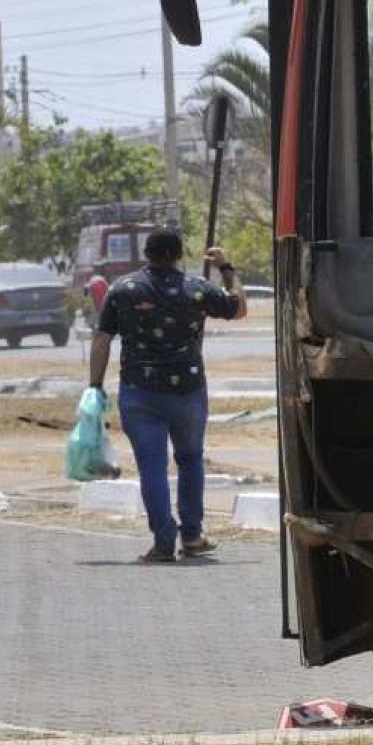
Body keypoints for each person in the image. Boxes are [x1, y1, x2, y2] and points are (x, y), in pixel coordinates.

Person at [87, 228, 246, 563]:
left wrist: (95, 385)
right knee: (190, 460)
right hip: (187, 392)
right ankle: (191, 536)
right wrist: (226, 267)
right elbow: (238, 307)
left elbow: (102, 339)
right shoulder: (196, 289)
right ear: (178, 255)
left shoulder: (123, 290)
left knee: (152, 467)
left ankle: (163, 542)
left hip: (139, 393)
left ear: (147, 253)